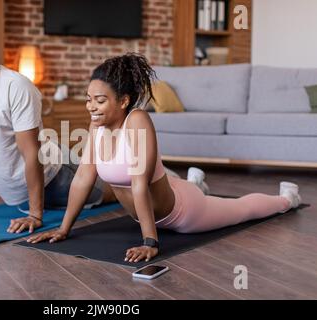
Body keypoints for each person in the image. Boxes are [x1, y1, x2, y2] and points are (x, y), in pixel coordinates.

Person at [27, 53, 302, 263]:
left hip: (183, 214)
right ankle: (195, 183)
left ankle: (287, 198)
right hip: (158, 203)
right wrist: (63, 229)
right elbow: (84, 177)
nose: (91, 107)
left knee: (242, 211)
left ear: (123, 101)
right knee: (181, 185)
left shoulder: (137, 120)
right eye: (88, 99)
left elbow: (139, 183)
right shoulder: (96, 125)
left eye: (99, 100)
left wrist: (150, 241)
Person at [0, 23, 115, 233]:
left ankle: (151, 171)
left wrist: (35, 215)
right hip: (22, 193)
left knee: (118, 190)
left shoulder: (15, 87)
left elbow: (31, 153)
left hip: (55, 175)